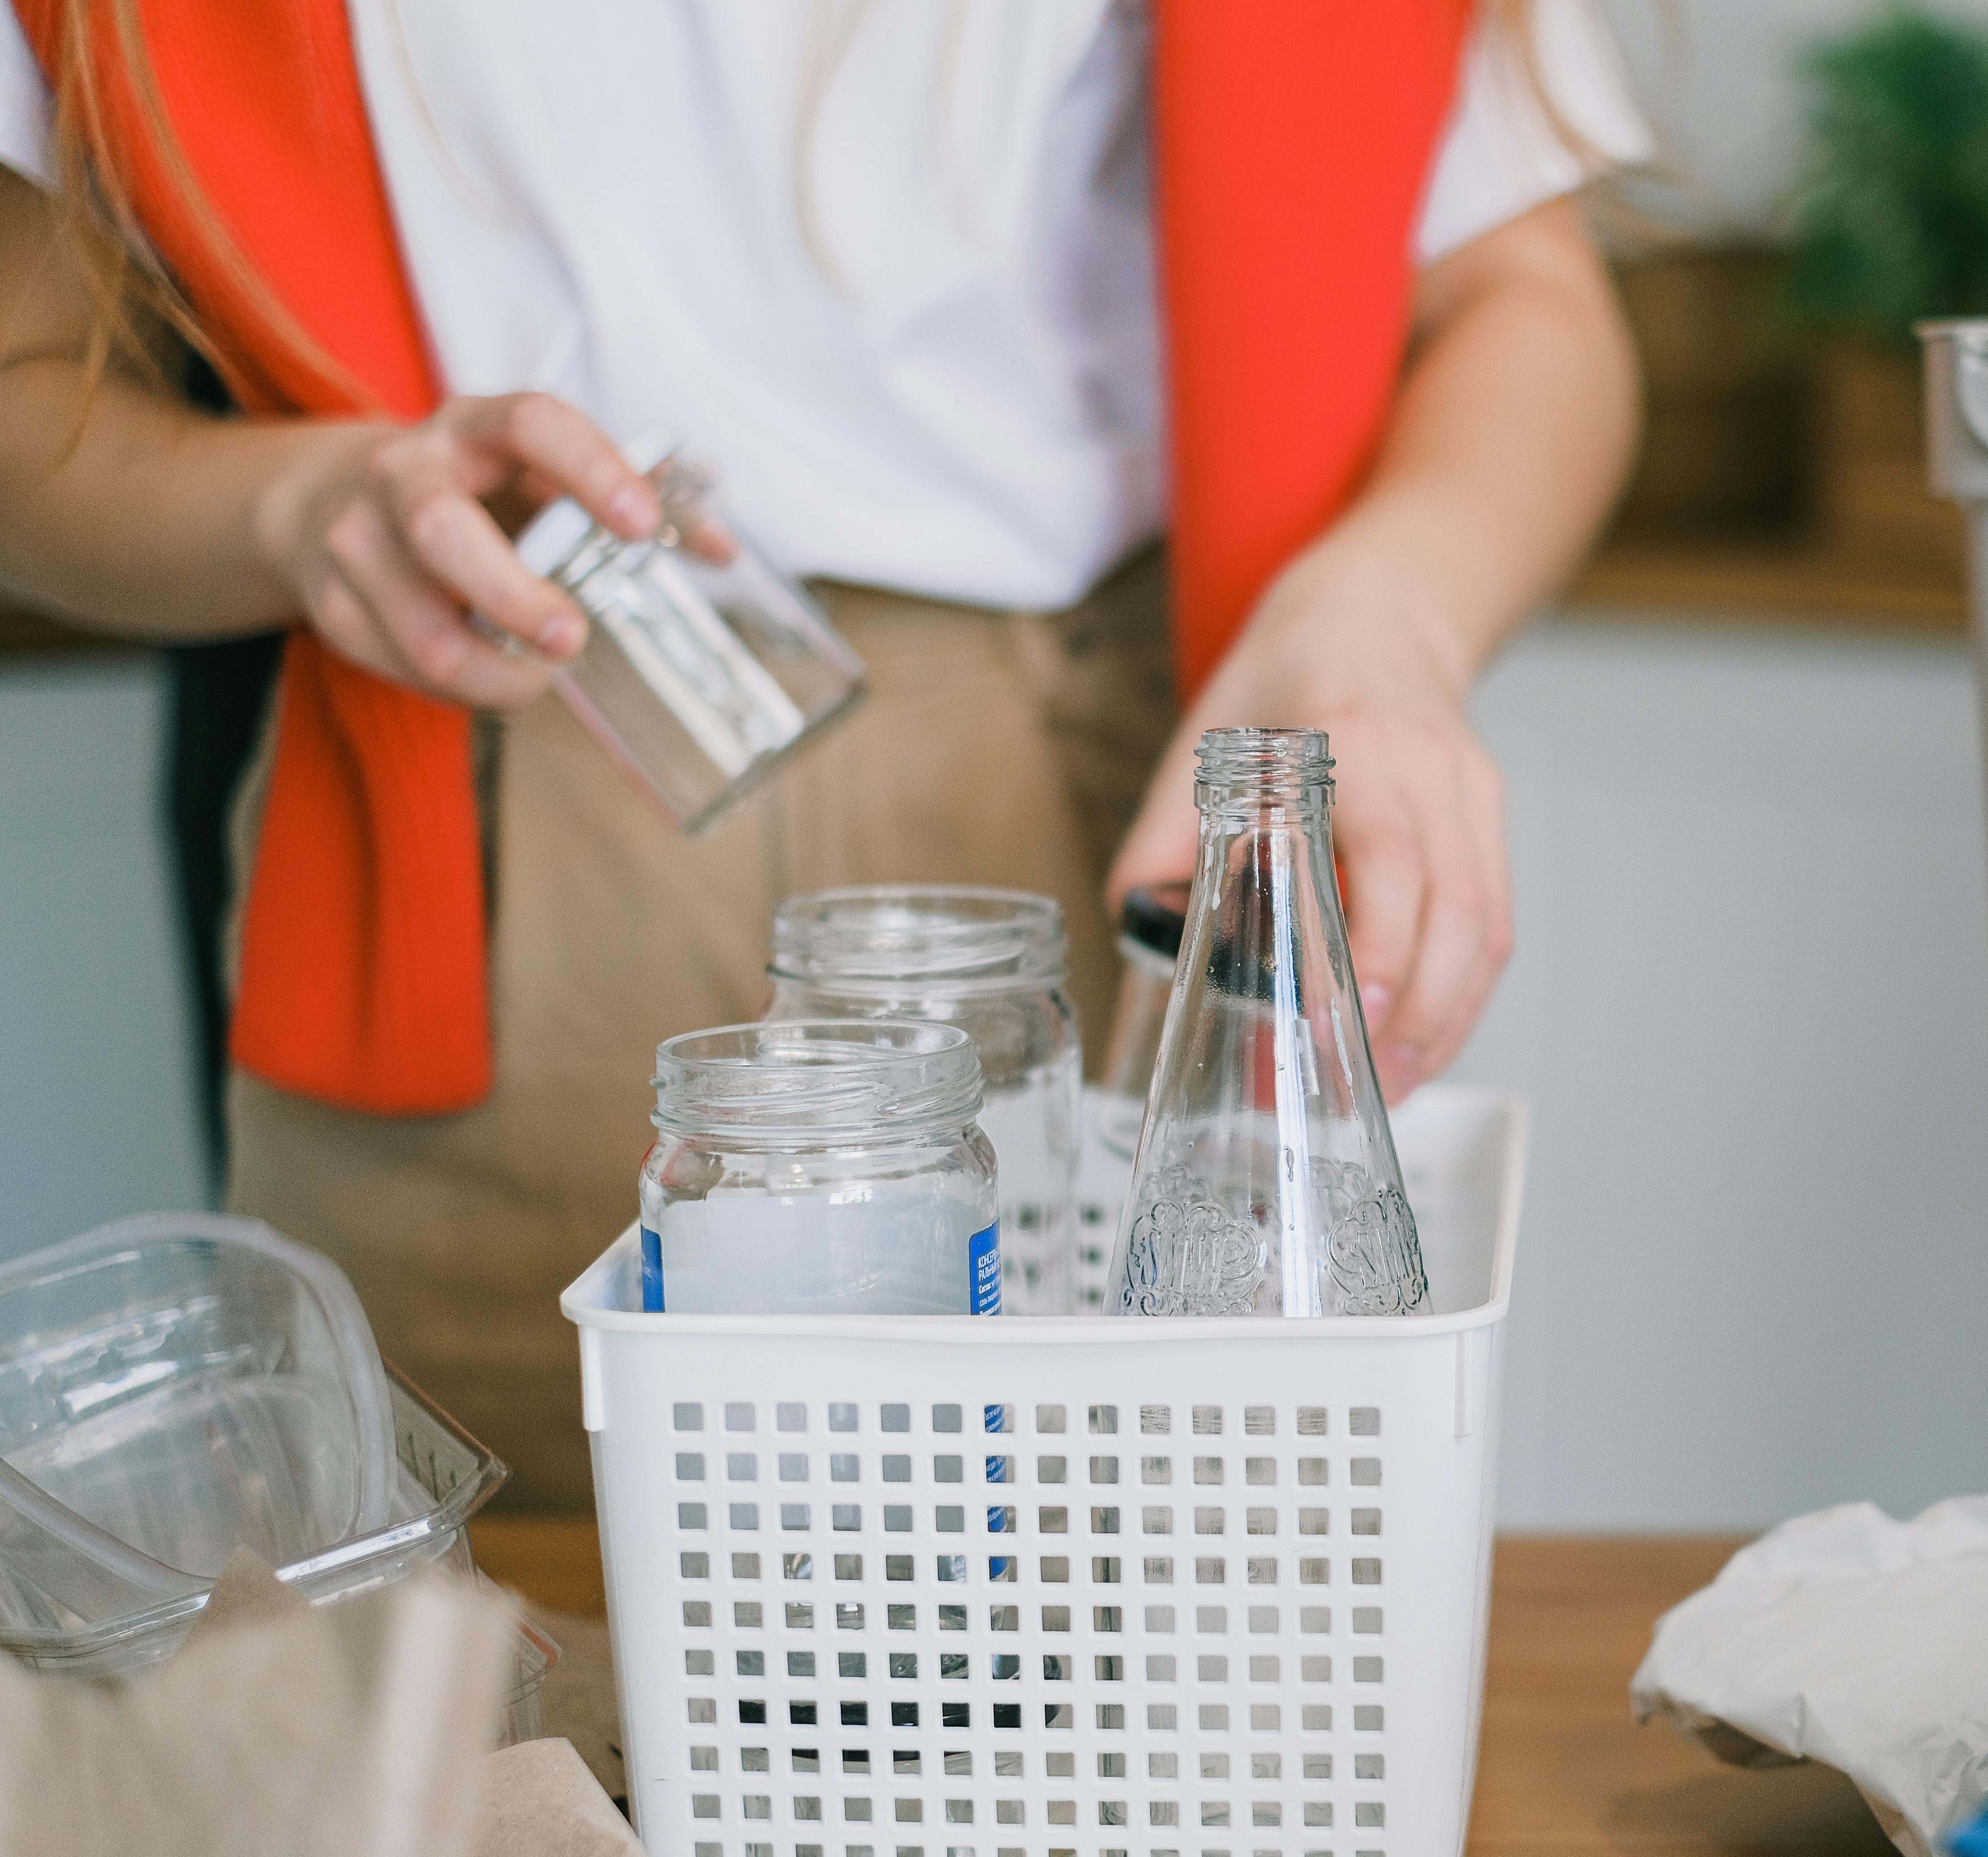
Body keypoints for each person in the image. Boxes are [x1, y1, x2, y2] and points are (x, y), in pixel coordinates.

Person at [0, 0, 1643, 1507]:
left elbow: (1520, 297)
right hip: (501, 817)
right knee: (497, 1708)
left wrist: (1385, 621)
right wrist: (303, 508)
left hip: (1117, 800)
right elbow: (31, 386)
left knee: (1165, 1639)